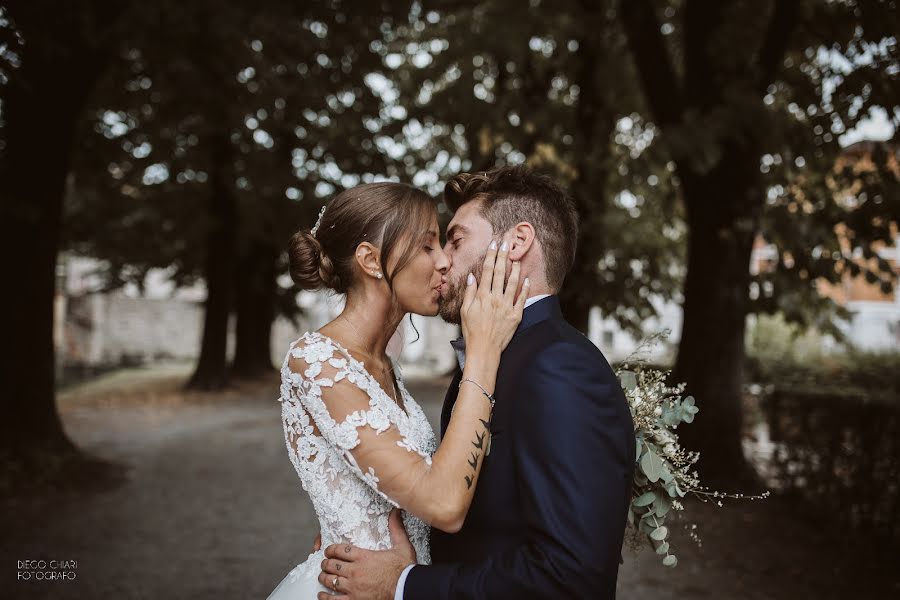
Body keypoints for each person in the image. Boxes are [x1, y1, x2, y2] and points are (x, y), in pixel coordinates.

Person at [317, 167, 635, 599]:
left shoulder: (560, 368)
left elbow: (572, 578)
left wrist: (405, 584)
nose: (443, 260)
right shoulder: (492, 358)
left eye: (456, 239)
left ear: (517, 243)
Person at [267, 181, 528, 599]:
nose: (445, 261)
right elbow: (442, 504)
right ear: (371, 260)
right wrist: (483, 349)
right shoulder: (315, 362)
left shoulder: (384, 368)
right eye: (427, 246)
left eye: (442, 244)